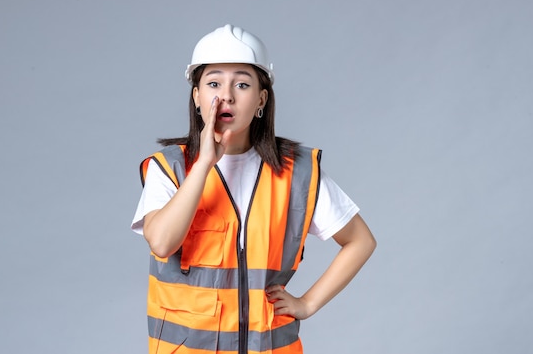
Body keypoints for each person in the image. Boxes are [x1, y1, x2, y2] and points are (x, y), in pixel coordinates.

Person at [132, 24, 376, 354]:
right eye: (214, 83)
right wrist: (204, 163)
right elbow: (161, 241)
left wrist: (307, 303)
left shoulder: (297, 173)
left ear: (261, 98)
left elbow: (360, 241)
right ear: (196, 95)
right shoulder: (170, 168)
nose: (227, 95)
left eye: (242, 84)